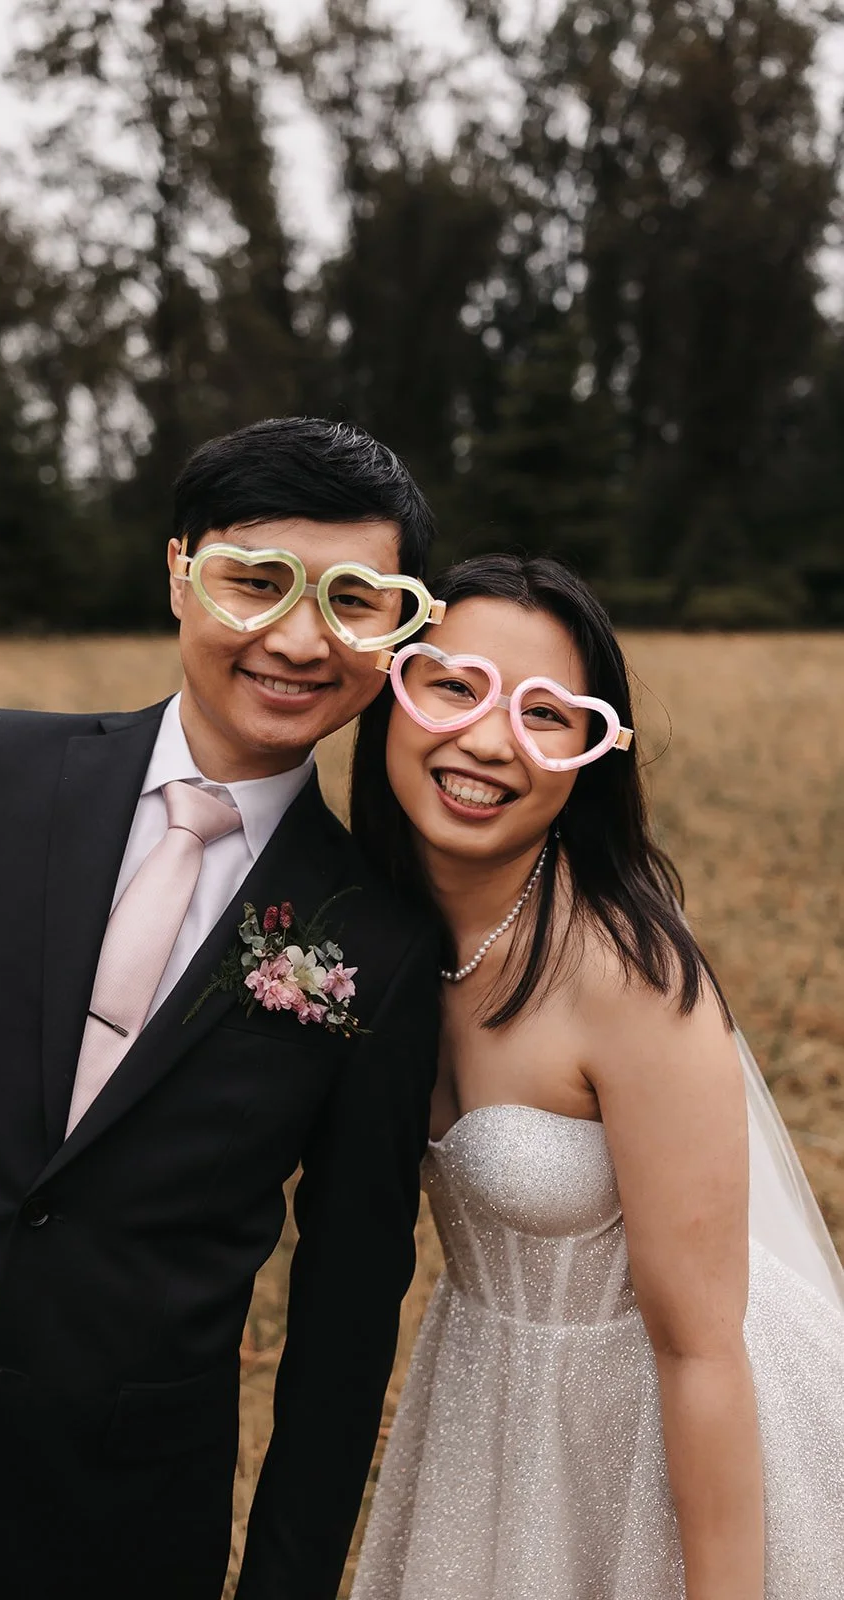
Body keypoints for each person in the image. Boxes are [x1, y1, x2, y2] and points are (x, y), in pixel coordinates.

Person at [0, 417, 444, 1600]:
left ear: (391, 634)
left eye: (352, 601)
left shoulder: (379, 943)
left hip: (103, 1521)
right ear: (179, 572)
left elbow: (344, 1319)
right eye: (256, 580)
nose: (299, 638)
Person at [348, 553, 844, 1600]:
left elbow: (701, 1348)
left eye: (545, 714)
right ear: (389, 690)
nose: (489, 741)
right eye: (453, 686)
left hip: (663, 1436)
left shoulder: (627, 979)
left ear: (589, 758)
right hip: (486, 1402)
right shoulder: (364, 930)